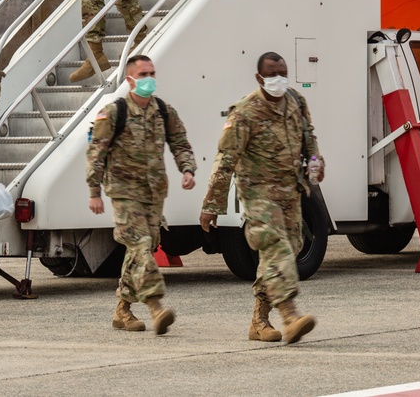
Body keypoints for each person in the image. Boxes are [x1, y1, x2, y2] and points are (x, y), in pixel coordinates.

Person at [200, 52, 323, 344]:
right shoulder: (244, 112)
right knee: (277, 248)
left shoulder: (296, 101)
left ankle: (259, 320)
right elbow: (225, 160)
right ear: (259, 78)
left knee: (287, 251)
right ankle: (290, 315)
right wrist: (211, 206)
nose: (278, 79)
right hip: (258, 195)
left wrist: (316, 159)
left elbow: (309, 136)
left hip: (291, 193)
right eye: (272, 74)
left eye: (282, 73)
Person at [87, 55, 196, 335]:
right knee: (140, 245)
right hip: (124, 193)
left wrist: (187, 169)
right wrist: (94, 191)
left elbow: (180, 142)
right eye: (144, 73)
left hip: (154, 193)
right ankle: (156, 305)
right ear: (130, 79)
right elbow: (96, 152)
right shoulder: (113, 112)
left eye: (152, 73)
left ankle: (122, 310)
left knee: (141, 250)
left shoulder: (163, 110)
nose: (150, 78)